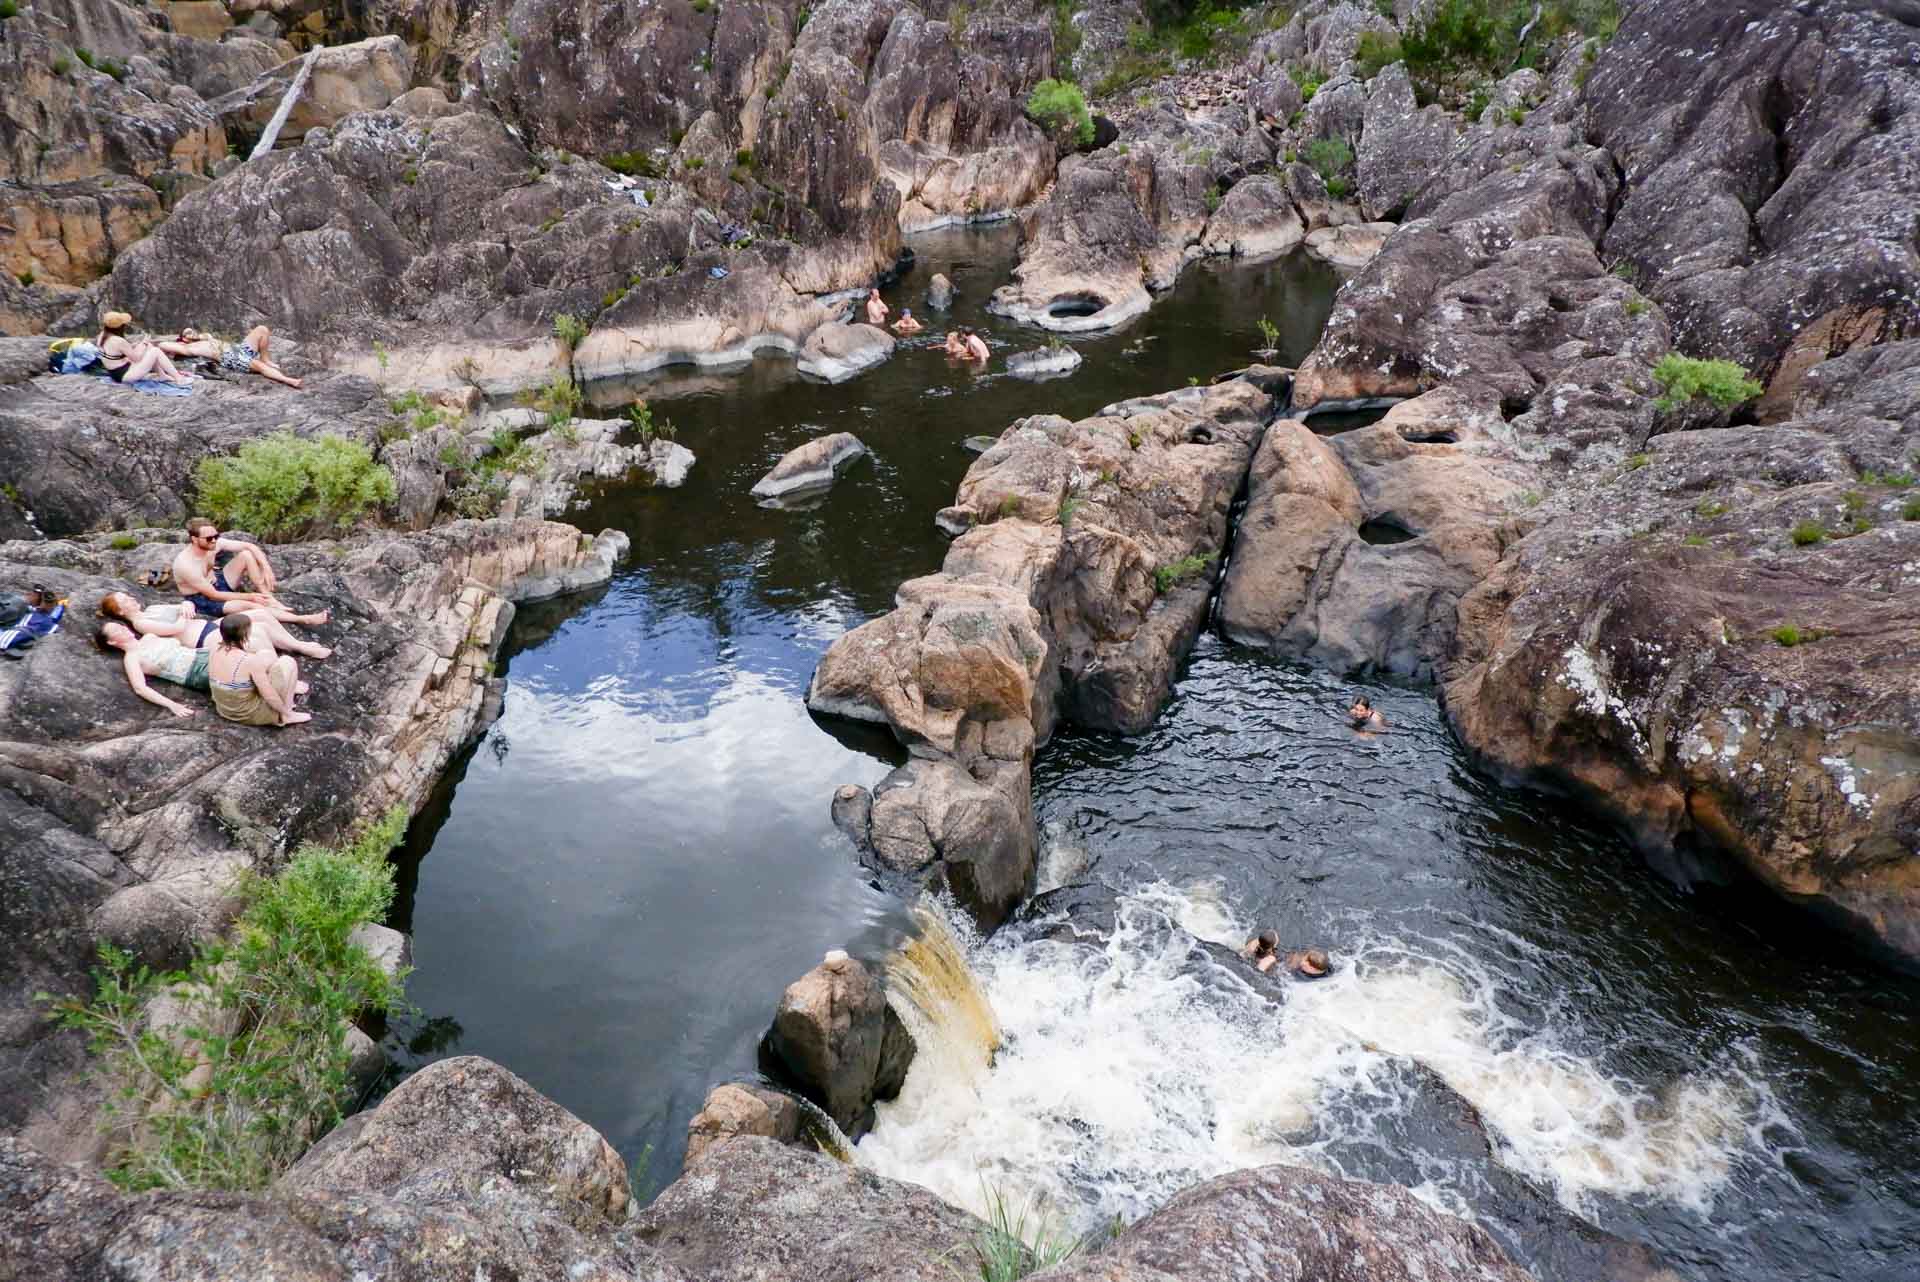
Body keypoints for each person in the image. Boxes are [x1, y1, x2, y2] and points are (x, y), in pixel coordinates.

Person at [172, 518, 323, 625]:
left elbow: (250, 546)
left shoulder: (213, 545)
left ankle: (269, 598)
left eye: (216, 536)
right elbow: (214, 595)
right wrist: (251, 597)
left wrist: (266, 568)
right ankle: (302, 619)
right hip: (203, 599)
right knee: (253, 606)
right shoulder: (186, 565)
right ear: (194, 539)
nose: (214, 540)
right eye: (209, 538)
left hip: (217, 581)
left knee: (246, 555)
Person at [97, 590, 331, 659]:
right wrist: (185, 611)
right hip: (201, 639)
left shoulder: (152, 610)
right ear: (120, 611)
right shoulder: (141, 624)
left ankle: (297, 645)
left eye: (127, 595)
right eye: (124, 600)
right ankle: (284, 661)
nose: (130, 598)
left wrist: (186, 606)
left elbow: (185, 605)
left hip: (208, 625)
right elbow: (176, 629)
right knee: (257, 631)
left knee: (260, 614)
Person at [206, 614, 311, 726]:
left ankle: (287, 695)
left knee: (265, 655)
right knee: (288, 662)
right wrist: (284, 711)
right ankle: (287, 714)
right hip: (248, 715)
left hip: (224, 709)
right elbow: (269, 695)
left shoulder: (214, 648)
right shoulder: (249, 661)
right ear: (245, 634)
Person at [160, 325, 302, 390]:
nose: (192, 333)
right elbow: (163, 344)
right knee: (259, 367)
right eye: (188, 333)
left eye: (192, 331)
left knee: (262, 329)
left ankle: (265, 358)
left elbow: (205, 335)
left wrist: (199, 336)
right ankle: (288, 380)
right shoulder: (189, 348)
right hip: (229, 357)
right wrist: (179, 341)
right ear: (184, 339)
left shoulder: (206, 338)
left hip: (237, 348)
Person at [92, 311, 191, 386]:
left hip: (116, 372)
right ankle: (179, 379)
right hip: (124, 375)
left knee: (149, 347)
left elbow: (118, 353)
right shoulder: (118, 340)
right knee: (155, 351)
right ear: (120, 327)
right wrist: (143, 343)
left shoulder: (102, 336)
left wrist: (142, 345)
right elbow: (136, 358)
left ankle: (162, 375)